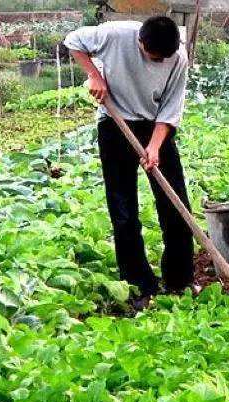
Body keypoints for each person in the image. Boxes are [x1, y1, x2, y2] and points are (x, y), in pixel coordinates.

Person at [64, 17, 194, 309]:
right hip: (115, 124)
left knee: (176, 205)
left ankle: (179, 280)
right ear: (140, 42)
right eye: (153, 56)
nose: (158, 61)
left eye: (163, 58)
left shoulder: (178, 58)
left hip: (154, 125)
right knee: (123, 211)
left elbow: (171, 108)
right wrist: (94, 75)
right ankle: (139, 284)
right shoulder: (114, 35)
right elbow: (73, 41)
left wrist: (155, 146)